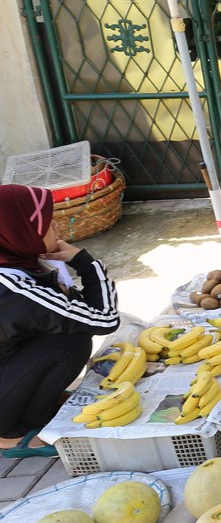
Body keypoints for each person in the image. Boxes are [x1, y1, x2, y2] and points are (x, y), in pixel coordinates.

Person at [0, 184, 120, 458]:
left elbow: (70, 311)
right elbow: (104, 319)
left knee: (65, 331)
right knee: (69, 343)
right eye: (43, 222)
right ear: (17, 230)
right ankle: (11, 436)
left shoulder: (17, 264)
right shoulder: (10, 287)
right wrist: (87, 265)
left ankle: (40, 404)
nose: (55, 225)